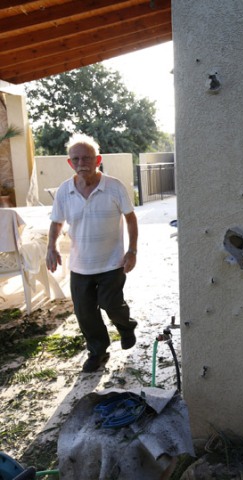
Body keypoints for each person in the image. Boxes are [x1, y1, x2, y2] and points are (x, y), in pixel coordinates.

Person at [46, 133, 139, 373]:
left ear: (97, 160)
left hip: (111, 262)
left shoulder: (114, 186)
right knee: (85, 313)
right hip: (80, 265)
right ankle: (98, 352)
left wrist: (132, 250)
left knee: (111, 303)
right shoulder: (64, 191)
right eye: (75, 159)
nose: (81, 163)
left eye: (86, 158)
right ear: (69, 162)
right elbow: (56, 222)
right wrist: (51, 246)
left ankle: (126, 326)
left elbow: (130, 218)